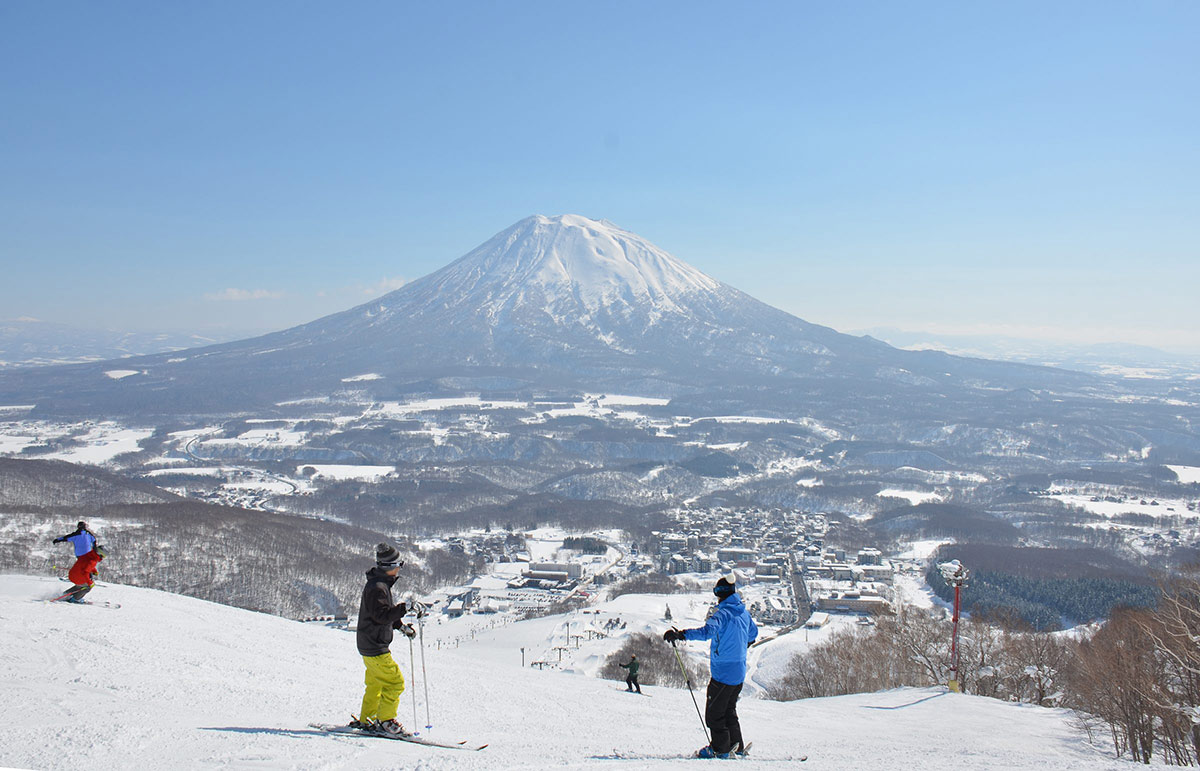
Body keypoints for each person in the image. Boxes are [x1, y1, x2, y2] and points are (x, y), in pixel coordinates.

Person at [663, 574, 758, 759]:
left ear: (720, 593)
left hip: (723, 672)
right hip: (739, 672)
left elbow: (707, 632)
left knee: (714, 714)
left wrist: (681, 635)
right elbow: (753, 633)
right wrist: (740, 644)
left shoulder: (722, 614)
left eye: (717, 592)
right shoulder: (743, 613)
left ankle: (720, 749)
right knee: (729, 710)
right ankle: (735, 746)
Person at [354, 542, 415, 735]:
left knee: (376, 684)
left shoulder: (379, 585)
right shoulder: (378, 587)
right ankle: (386, 721)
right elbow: (381, 616)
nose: (400, 568)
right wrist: (405, 608)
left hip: (368, 644)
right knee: (395, 682)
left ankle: (368, 719)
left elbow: (382, 615)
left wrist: (401, 626)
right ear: (390, 567)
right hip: (375, 646)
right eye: (399, 564)